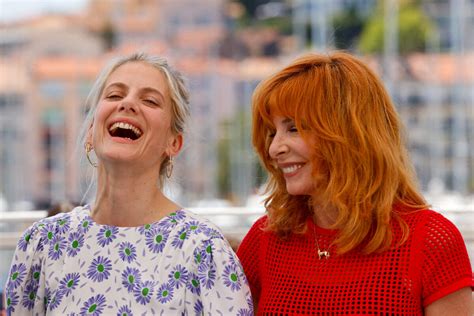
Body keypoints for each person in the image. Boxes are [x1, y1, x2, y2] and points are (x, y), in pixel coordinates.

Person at [5, 52, 253, 315]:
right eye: (114, 95)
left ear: (173, 143)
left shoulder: (204, 251)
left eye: (149, 100)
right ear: (90, 131)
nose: (127, 104)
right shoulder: (42, 244)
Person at [237, 52, 472, 315]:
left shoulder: (430, 241)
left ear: (349, 133)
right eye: (272, 133)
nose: (274, 149)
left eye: (293, 128)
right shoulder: (264, 241)